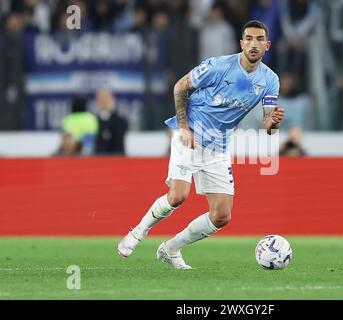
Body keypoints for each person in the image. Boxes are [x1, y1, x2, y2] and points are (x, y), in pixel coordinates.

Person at [118, 20, 285, 269]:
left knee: (221, 216)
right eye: (248, 38)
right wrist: (184, 128)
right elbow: (180, 87)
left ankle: (171, 248)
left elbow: (268, 127)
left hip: (218, 147)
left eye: (259, 39)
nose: (253, 44)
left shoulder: (270, 80)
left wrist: (274, 123)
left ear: (267, 45)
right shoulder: (218, 66)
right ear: (241, 43)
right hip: (191, 135)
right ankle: (138, 232)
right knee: (177, 196)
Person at [94, 89, 127, 155]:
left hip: (116, 160)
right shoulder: (93, 121)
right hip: (97, 160)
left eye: (106, 98)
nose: (104, 101)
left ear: (113, 100)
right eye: (101, 98)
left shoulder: (121, 121)